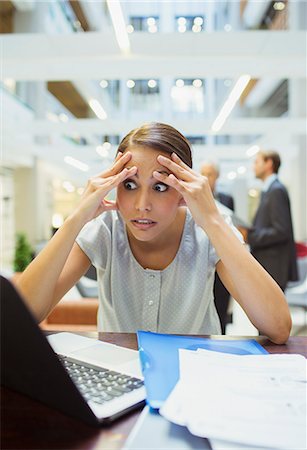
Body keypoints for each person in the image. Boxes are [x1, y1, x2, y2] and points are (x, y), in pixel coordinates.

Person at [17, 123, 291, 344]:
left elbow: (278, 328)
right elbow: (22, 316)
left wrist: (213, 221)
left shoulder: (206, 230)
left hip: (194, 377)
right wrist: (76, 218)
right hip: (118, 377)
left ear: (183, 188)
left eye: (160, 187)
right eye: (129, 184)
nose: (141, 205)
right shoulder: (106, 228)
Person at [248, 150, 298, 292]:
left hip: (274, 268)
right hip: (270, 267)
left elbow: (281, 230)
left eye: (257, 162)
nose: (253, 167)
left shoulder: (276, 191)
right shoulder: (269, 190)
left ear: (269, 163)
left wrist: (251, 236)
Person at [200, 161, 234, 334]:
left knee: (222, 302)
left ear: (217, 176)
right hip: (201, 257)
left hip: (221, 256)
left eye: (210, 174)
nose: (206, 177)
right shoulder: (194, 197)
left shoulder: (227, 199)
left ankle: (221, 334)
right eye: (203, 172)